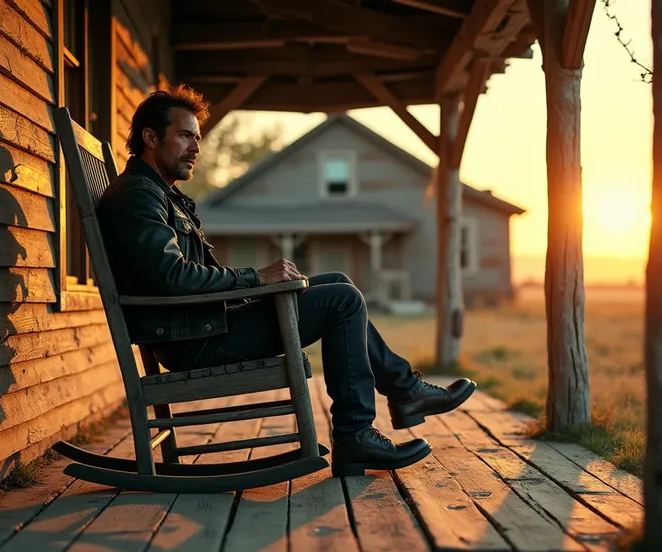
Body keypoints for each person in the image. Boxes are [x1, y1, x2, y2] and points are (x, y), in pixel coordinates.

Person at [98, 84, 477, 477]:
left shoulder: (158, 194)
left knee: (337, 282)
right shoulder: (139, 197)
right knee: (341, 301)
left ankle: (401, 392)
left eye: (197, 137)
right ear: (150, 137)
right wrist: (255, 278)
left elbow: (176, 276)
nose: (196, 146)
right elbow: (172, 278)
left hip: (204, 325)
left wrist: (250, 288)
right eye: (184, 135)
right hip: (195, 340)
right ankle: (359, 432)